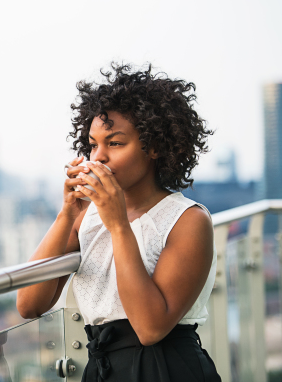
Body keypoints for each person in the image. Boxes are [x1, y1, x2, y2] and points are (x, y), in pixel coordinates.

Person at [16, 64, 221, 381]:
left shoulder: (188, 220)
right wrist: (67, 213)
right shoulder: (88, 218)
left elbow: (150, 328)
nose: (98, 158)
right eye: (93, 144)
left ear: (154, 146)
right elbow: (29, 305)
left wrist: (118, 225)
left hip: (167, 370)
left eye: (114, 143)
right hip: (102, 370)